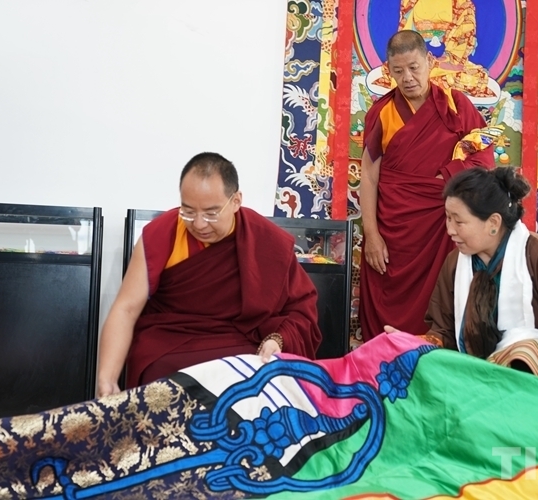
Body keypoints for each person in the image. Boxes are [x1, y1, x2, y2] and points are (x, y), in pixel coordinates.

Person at [96, 153, 322, 396]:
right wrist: (107, 378)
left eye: (211, 213)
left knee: (256, 376)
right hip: (170, 341)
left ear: (236, 201)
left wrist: (277, 340)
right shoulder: (162, 234)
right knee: (159, 372)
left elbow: (301, 309)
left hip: (240, 343)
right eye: (188, 211)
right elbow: (126, 308)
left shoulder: (265, 240)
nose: (199, 224)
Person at [386, 167, 538, 402]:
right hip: (478, 378)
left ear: (493, 222)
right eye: (448, 218)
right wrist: (410, 345)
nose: (450, 230)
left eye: (459, 221)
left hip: (535, 382)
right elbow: (444, 333)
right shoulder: (455, 263)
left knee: (524, 351)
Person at [359, 30, 495, 341]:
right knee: (386, 308)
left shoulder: (456, 106)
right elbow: (369, 176)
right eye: (398, 71)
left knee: (443, 304)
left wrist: (447, 175)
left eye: (414, 67)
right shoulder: (382, 113)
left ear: (429, 61)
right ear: (388, 71)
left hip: (443, 230)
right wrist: (372, 235)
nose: (407, 78)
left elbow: (484, 159)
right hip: (393, 232)